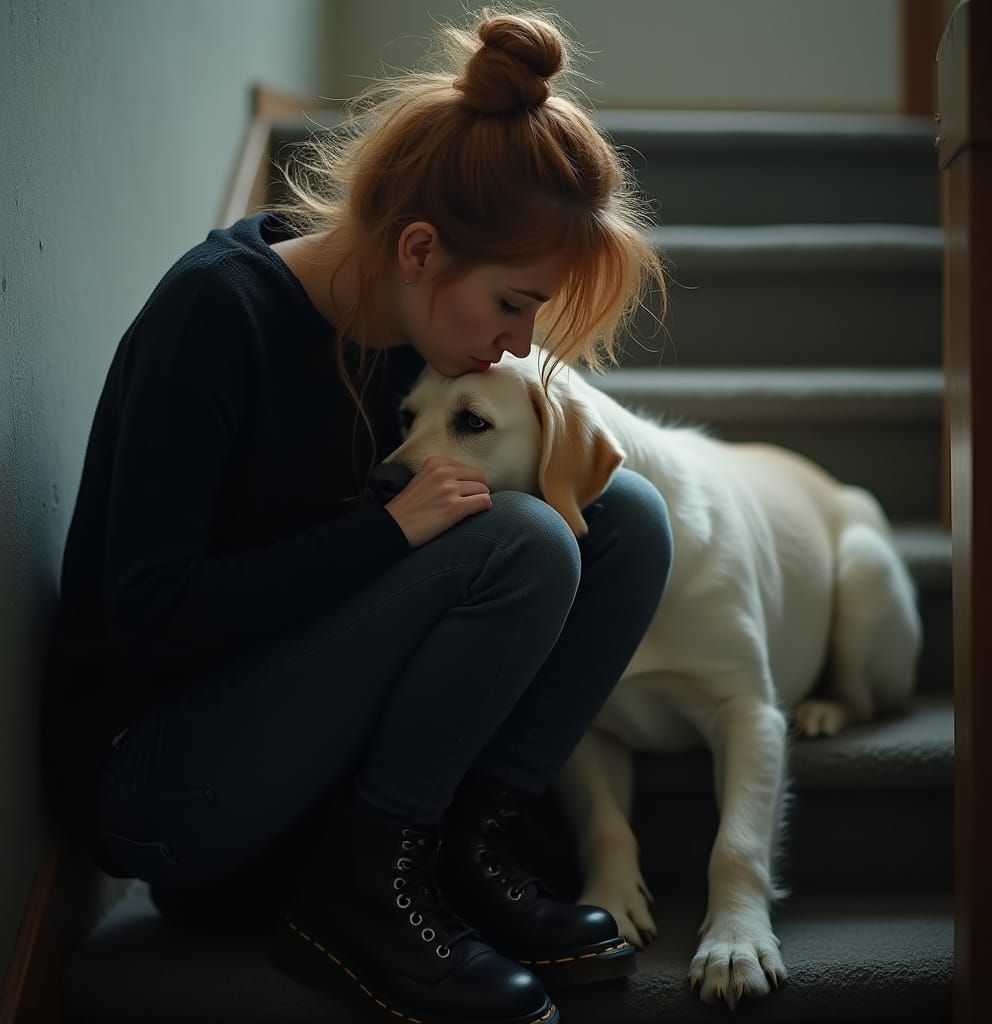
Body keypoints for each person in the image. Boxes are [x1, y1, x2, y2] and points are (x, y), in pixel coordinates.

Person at [40, 9, 673, 1024]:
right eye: (511, 304)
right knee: (520, 542)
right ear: (420, 247)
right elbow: (151, 615)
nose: (515, 343)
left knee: (626, 517)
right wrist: (387, 533)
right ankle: (366, 895)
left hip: (304, 768)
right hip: (163, 784)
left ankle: (459, 847)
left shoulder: (412, 339)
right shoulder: (216, 315)